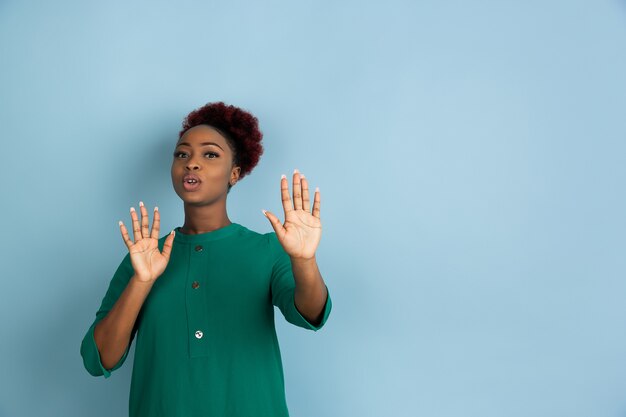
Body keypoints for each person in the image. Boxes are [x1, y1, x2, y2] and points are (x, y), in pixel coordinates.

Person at [80, 102, 332, 417]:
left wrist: (305, 260)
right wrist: (142, 281)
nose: (192, 163)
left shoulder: (267, 249)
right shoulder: (143, 257)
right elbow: (98, 358)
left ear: (235, 174)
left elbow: (311, 314)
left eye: (210, 155)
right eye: (182, 154)